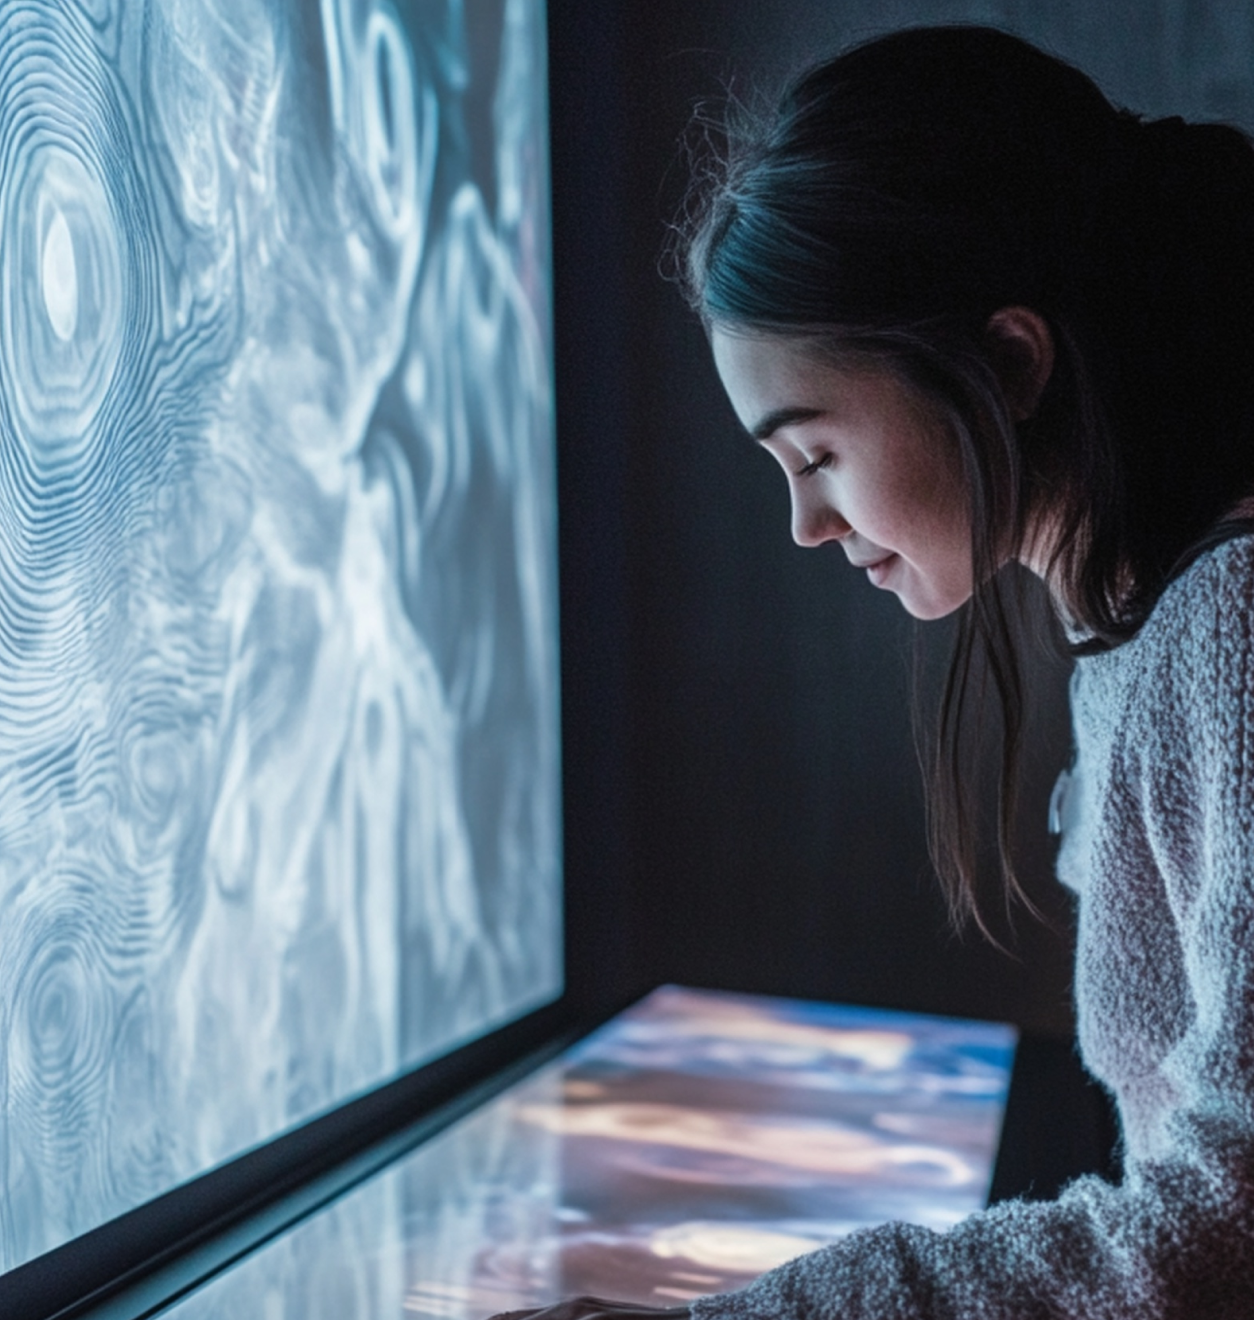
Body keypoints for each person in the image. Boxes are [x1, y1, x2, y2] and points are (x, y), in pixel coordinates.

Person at [496, 23, 1254, 1318]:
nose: (807, 525)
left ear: (1009, 363)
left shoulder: (1226, 628)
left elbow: (1222, 1224)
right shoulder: (1142, 639)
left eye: (818, 452)